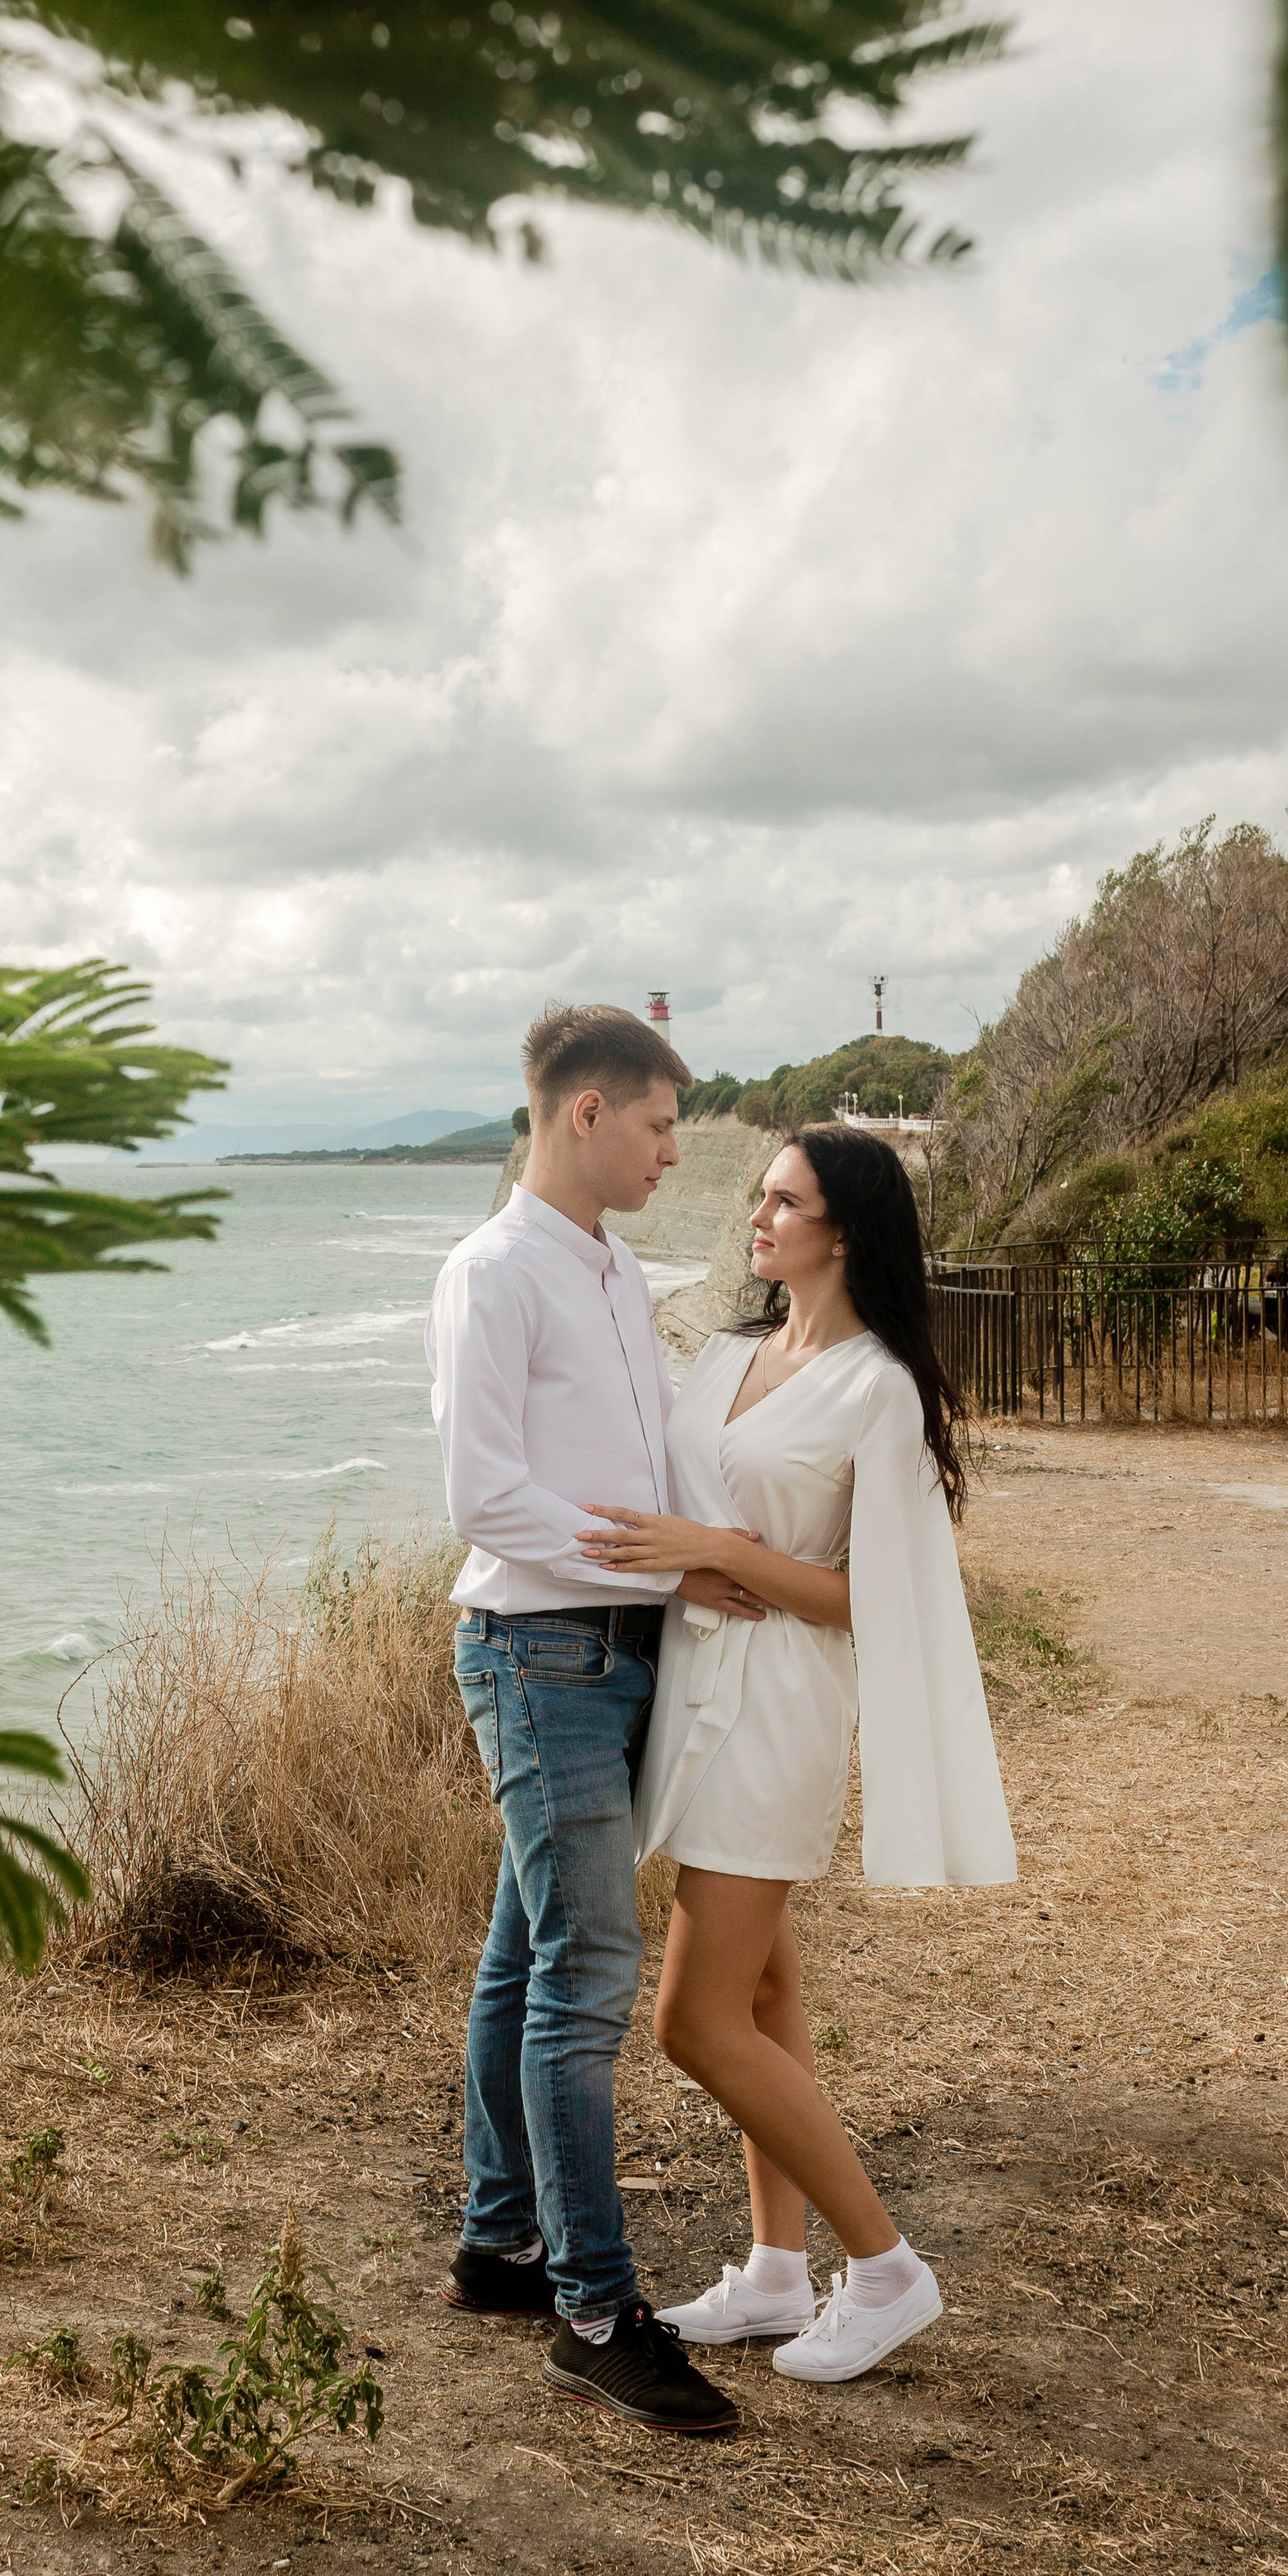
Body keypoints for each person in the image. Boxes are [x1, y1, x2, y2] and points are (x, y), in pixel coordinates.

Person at [578, 1121, 1017, 2385]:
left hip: (776, 1714)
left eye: (785, 1201)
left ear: (845, 1233)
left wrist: (721, 1555)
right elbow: (676, 1509)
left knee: (693, 2022)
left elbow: (879, 1599)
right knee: (765, 1995)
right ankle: (777, 2271)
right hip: (691, 1692)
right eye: (761, 1196)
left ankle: (884, 2268)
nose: (758, 1216)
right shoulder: (729, 1354)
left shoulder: (878, 1387)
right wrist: (691, 1563)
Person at [424, 1003, 768, 2436]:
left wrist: (717, 1556)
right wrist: (667, 1566)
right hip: (538, 1653)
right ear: (585, 1113)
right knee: (586, 1975)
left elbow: (651, 1457)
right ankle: (593, 2311)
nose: (674, 1153)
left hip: (617, 1649)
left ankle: (499, 2243)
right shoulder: (492, 1272)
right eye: (659, 1124)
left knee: (527, 1956)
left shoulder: (618, 1270)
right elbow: (482, 1496)